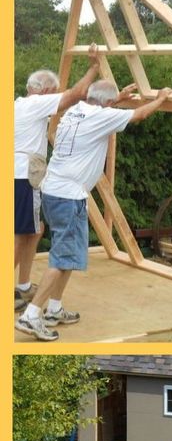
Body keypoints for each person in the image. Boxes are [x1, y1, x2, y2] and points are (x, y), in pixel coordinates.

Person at [15, 80, 172, 341]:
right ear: (107, 104)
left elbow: (103, 112)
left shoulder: (76, 110)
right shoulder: (101, 117)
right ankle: (31, 315)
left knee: (65, 255)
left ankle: (54, 309)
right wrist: (161, 97)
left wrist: (117, 99)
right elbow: (141, 114)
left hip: (55, 191)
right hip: (67, 196)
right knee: (61, 257)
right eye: (112, 103)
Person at [14, 44, 101, 311]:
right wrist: (94, 68)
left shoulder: (17, 105)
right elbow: (76, 94)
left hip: (20, 176)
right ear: (44, 91)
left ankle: (24, 286)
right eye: (54, 91)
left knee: (34, 231)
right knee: (18, 235)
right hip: (22, 177)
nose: (55, 96)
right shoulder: (36, 103)